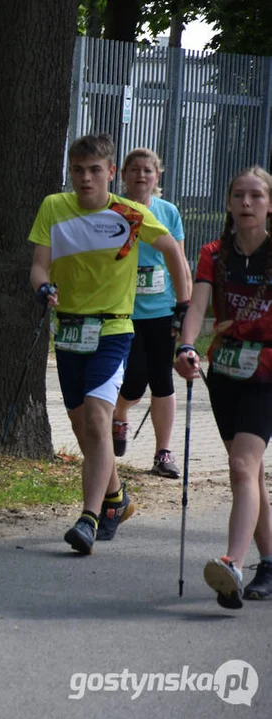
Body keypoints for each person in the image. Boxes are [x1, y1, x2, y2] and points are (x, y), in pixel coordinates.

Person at [28, 133, 191, 555]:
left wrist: (183, 305)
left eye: (95, 170)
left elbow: (173, 251)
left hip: (114, 330)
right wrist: (44, 288)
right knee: (85, 427)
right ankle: (118, 499)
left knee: (100, 420)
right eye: (77, 170)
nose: (85, 179)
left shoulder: (129, 213)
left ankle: (89, 516)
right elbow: (39, 266)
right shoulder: (53, 207)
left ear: (110, 172)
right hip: (67, 331)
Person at [175, 166, 272, 608]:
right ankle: (269, 563)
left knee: (240, 466)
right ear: (229, 203)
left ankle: (232, 562)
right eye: (239, 195)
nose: (247, 203)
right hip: (227, 372)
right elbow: (197, 305)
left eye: (256, 196)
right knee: (248, 474)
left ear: (269, 204)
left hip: (268, 372)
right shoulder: (214, 252)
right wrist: (186, 346)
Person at [111, 148, 186, 480]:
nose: (141, 176)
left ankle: (163, 452)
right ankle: (120, 413)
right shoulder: (111, 209)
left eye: (148, 170)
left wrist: (183, 309)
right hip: (123, 309)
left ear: (157, 176)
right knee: (133, 382)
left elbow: (180, 262)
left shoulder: (168, 212)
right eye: (135, 170)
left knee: (162, 380)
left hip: (161, 309)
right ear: (123, 174)